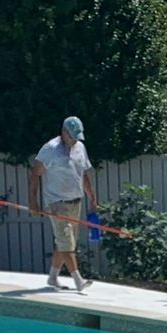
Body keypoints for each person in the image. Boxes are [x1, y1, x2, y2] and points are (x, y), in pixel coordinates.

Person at [29, 116, 98, 292]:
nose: (74, 140)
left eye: (77, 136)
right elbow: (35, 174)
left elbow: (82, 173)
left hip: (76, 201)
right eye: (72, 136)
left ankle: (53, 278)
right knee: (67, 243)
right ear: (63, 132)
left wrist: (91, 196)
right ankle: (78, 280)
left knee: (66, 242)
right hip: (57, 203)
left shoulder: (80, 147)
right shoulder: (50, 150)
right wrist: (33, 202)